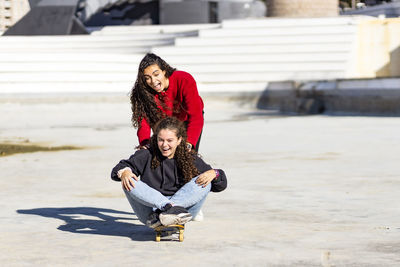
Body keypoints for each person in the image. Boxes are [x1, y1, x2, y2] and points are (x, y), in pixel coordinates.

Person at [110, 117, 227, 228]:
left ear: (179, 140)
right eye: (161, 140)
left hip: (182, 209)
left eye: (170, 140)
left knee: (207, 179)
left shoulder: (189, 157)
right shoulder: (147, 154)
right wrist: (125, 172)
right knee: (128, 179)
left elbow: (220, 184)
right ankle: (168, 208)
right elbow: (118, 169)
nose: (164, 145)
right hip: (151, 211)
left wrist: (214, 173)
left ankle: (168, 212)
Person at [130, 53, 204, 151]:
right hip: (164, 125)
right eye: (147, 78)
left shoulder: (184, 79)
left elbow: (195, 117)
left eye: (156, 74)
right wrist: (145, 144)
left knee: (186, 158)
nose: (153, 81)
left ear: (164, 71)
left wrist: (189, 143)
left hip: (187, 121)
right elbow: (143, 123)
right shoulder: (144, 92)